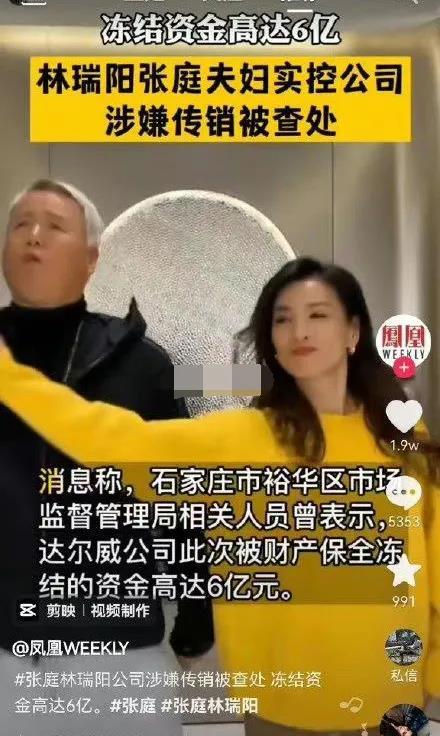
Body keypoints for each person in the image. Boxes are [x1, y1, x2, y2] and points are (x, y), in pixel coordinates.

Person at [0, 257, 438, 735]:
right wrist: (9, 376)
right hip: (284, 710)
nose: (299, 331)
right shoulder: (240, 439)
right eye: (283, 319)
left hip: (394, 704)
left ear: (353, 331)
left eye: (318, 314)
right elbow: (111, 439)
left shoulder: (402, 436)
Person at [0, 178, 213, 736]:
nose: (34, 237)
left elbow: (180, 502)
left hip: (118, 652)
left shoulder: (143, 365)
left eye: (55, 226)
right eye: (21, 225)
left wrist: (195, 623)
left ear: (92, 260)